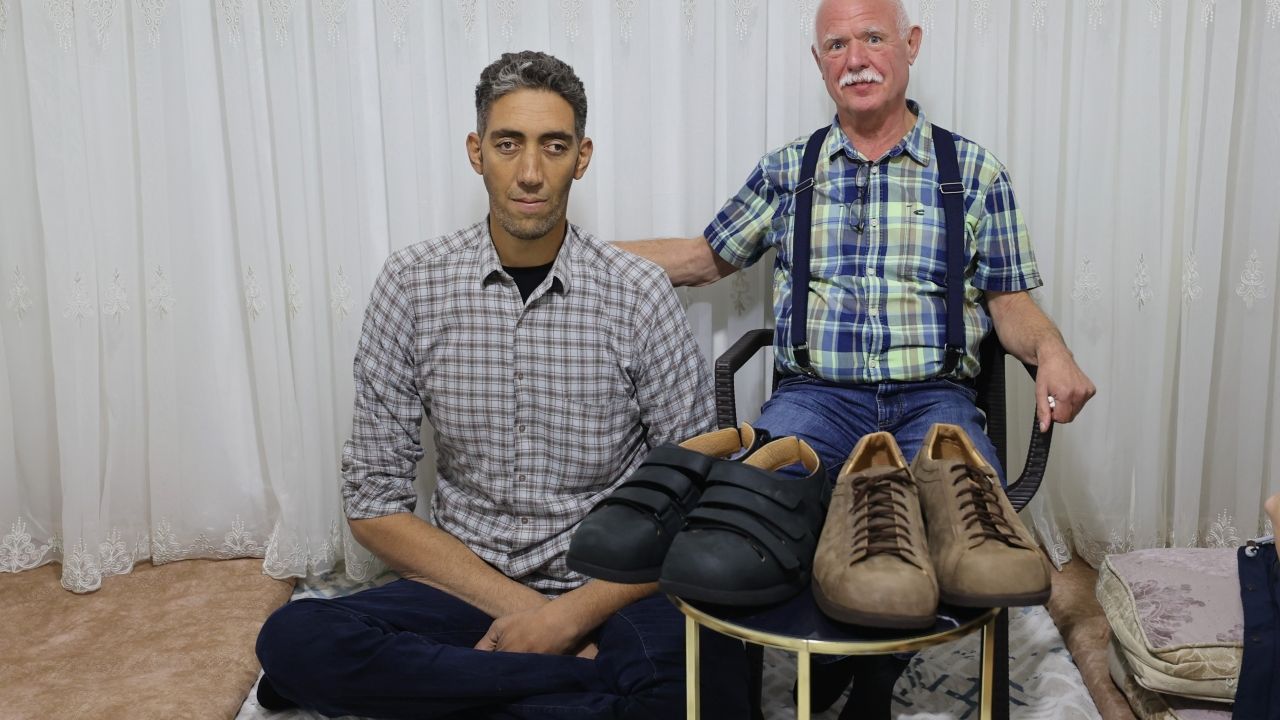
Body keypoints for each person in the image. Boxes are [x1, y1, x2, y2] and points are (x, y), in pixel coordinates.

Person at [620, 0, 1096, 715]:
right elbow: (700, 258)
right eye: (837, 45)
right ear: (819, 63)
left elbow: (1010, 303)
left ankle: (876, 673)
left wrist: (1052, 349)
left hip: (934, 401)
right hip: (815, 399)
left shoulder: (973, 171)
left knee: (976, 536)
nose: (857, 59)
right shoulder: (789, 170)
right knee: (741, 520)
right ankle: (780, 676)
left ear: (910, 45)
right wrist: (577, 252)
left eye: (873, 38)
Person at [254, 51, 747, 720]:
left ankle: (465, 691)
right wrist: (536, 617)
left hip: (611, 589)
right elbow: (372, 503)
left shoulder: (638, 293)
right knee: (296, 636)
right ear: (476, 151)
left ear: (582, 157)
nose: (531, 172)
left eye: (554, 146)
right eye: (508, 144)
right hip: (467, 584)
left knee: (713, 685)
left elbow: (696, 494)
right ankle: (576, 689)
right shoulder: (412, 285)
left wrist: (570, 617)